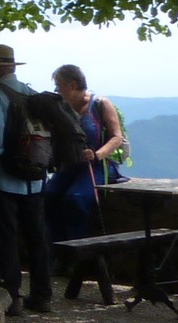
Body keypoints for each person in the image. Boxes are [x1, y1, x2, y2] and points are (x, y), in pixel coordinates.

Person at [0, 42, 51, 315]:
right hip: (35, 178)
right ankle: (42, 296)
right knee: (37, 237)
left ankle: (12, 297)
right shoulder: (32, 94)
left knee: (5, 238)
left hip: (4, 178)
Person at [43, 64, 128, 244]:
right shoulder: (62, 108)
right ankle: (57, 248)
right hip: (71, 164)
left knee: (76, 199)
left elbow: (116, 137)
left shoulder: (100, 104)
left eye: (58, 85)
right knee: (49, 195)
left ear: (72, 85)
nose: (56, 90)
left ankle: (77, 248)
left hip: (98, 165)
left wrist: (96, 154)